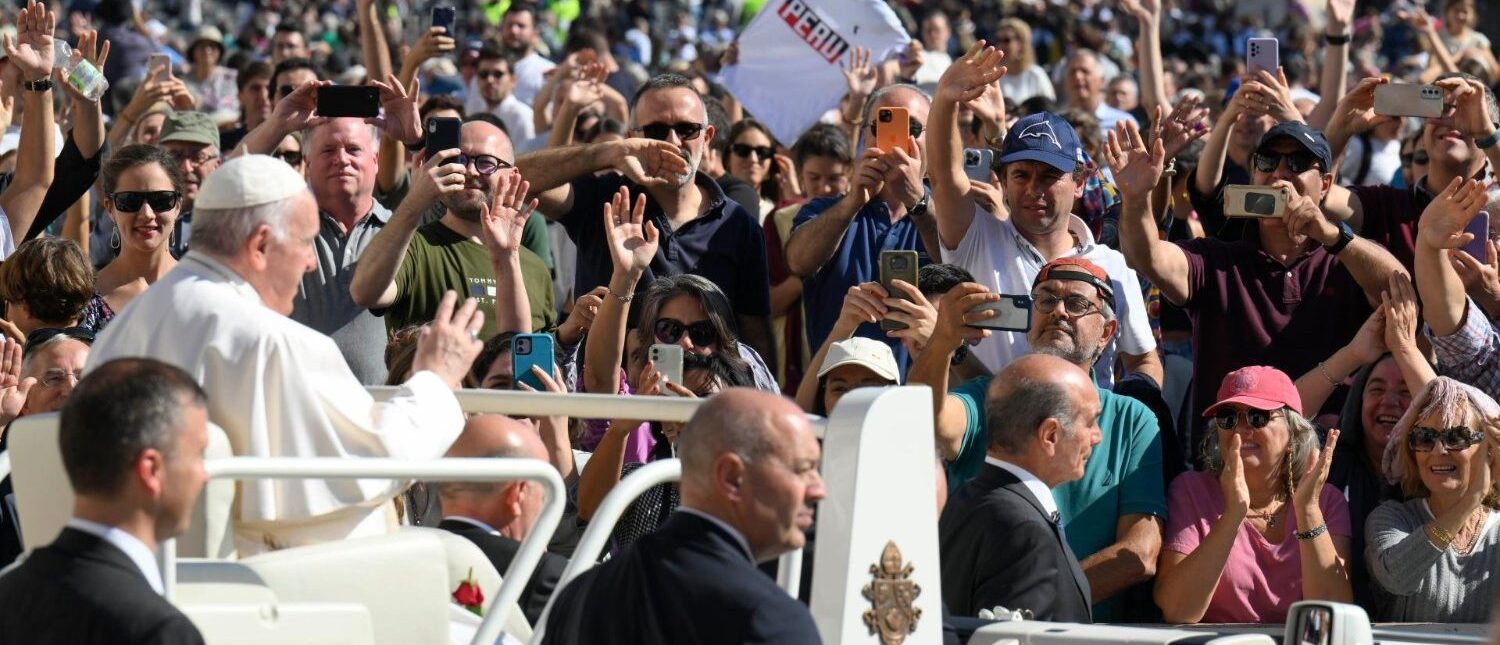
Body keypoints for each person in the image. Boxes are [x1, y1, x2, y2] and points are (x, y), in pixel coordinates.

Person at [86, 155, 483, 555]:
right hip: (245, 583)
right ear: (260, 244)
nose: (311, 262)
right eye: (305, 241)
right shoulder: (272, 340)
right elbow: (372, 460)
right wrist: (435, 378)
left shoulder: (125, 324)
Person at [1111, 116, 1404, 448]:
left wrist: (1330, 234)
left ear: (1325, 183)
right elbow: (1145, 256)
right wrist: (1136, 199)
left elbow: (1399, 288)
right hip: (1229, 461)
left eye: (1296, 163)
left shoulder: (1347, 258)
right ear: (1253, 174)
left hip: (1327, 464)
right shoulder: (1216, 259)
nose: (1279, 173)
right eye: (1267, 161)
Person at [913, 258, 1165, 621]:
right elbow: (926, 423)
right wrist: (942, 343)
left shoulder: (1132, 419)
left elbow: (1139, 554)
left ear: (1107, 332)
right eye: (1045, 300)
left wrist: (1035, 599)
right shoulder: (994, 395)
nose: (1058, 311)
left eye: (1077, 304)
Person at [928, 46, 1161, 390]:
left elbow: (1143, 359)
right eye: (1021, 175)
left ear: (1080, 183)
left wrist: (1128, 416)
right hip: (991, 438)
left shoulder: (1112, 265)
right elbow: (946, 175)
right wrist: (945, 99)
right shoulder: (977, 239)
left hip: (1087, 438)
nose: (1034, 188)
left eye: (1050, 176)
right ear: (1004, 181)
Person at [517, 73, 774, 364]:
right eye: (655, 130)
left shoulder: (738, 225)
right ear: (633, 138)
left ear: (708, 137)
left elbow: (756, 339)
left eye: (687, 129)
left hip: (703, 404)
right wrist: (608, 153)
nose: (673, 142)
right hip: (607, 402)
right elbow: (514, 177)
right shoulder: (603, 200)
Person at [542, 389, 824, 644]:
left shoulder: (579, 597)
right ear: (732, 477)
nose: (819, 490)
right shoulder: (768, 619)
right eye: (803, 469)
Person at [0, 358, 209, 644]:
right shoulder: (158, 630)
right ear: (150, 470)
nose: (204, 475)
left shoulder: (9, 593)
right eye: (199, 455)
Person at [234, 75, 424, 385]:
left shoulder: (404, 229)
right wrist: (279, 123)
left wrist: (415, 141)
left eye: (353, 149)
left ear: (375, 161)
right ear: (307, 162)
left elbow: (453, 201)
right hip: (297, 409)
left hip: (384, 415)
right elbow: (233, 180)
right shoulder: (281, 226)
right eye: (328, 151)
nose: (342, 159)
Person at [1155, 366, 1352, 624]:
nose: (1240, 429)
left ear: (1293, 435)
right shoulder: (1191, 490)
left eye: (1258, 417)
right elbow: (1177, 610)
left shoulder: (1326, 501)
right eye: (1228, 418)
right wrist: (1233, 515)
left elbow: (1332, 618)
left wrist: (1307, 510)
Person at [350, 118, 555, 339]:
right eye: (459, 159)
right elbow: (365, 292)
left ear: (512, 176)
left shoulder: (535, 268)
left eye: (486, 162)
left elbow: (541, 355)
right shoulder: (414, 248)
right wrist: (414, 202)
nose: (470, 171)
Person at [786, 83, 938, 373]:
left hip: (916, 402)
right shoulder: (823, 211)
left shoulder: (951, 216)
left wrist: (916, 200)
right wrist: (853, 201)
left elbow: (961, 264)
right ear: (864, 137)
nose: (897, 140)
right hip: (835, 397)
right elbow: (798, 262)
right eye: (884, 125)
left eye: (913, 128)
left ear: (932, 142)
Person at [939, 353, 1100, 621]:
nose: (1097, 436)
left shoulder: (967, 498)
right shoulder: (1023, 531)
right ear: (1050, 435)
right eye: (1090, 422)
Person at [1367, 377, 1500, 622]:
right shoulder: (1393, 518)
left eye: (1456, 437)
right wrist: (1471, 499)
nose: (1439, 450)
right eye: (1425, 438)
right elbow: (1396, 578)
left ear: (1489, 451)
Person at [437, 415, 567, 626]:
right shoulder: (539, 574)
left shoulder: (402, 552)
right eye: (542, 494)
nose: (542, 507)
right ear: (518, 493)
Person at [764, 124, 852, 393]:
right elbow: (771, 304)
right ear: (800, 177)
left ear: (849, 174)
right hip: (796, 368)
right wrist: (810, 261)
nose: (824, 188)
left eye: (834, 178)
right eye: (814, 178)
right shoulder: (781, 221)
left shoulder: (864, 219)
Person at [87, 145, 186, 331]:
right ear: (110, 209)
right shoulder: (82, 299)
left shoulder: (203, 289)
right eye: (130, 201)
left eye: (161, 200)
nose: (147, 214)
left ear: (177, 206)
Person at [157, 111, 223, 260]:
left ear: (217, 165)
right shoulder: (141, 214)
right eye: (175, 156)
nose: (187, 168)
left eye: (197, 156)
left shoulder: (230, 220)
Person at [0, 237, 93, 335]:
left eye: (8, 301)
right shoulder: (96, 344)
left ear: (25, 307)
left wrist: (26, 348)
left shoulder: (20, 348)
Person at [1062, 50, 1137, 137]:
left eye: (1085, 71)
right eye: (1072, 72)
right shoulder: (1053, 124)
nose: (1078, 76)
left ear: (1102, 80)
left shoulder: (1123, 124)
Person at [468, 49, 535, 144]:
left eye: (498, 74)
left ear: (513, 80)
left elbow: (525, 156)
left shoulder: (521, 117)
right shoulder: (474, 110)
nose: (490, 80)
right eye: (483, 74)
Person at [499, 2, 554, 108]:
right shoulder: (486, 72)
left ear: (535, 33)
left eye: (521, 26)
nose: (514, 31)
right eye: (509, 25)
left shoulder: (547, 71)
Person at [182, 26, 239, 125]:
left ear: (219, 52)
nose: (207, 51)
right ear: (193, 51)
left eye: (212, 47)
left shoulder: (230, 78)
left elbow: (230, 109)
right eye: (202, 46)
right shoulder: (183, 82)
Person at [993, 19, 1054, 104]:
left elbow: (1049, 108)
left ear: (1021, 44)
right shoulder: (992, 76)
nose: (1000, 46)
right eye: (998, 40)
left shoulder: (1036, 74)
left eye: (1006, 40)